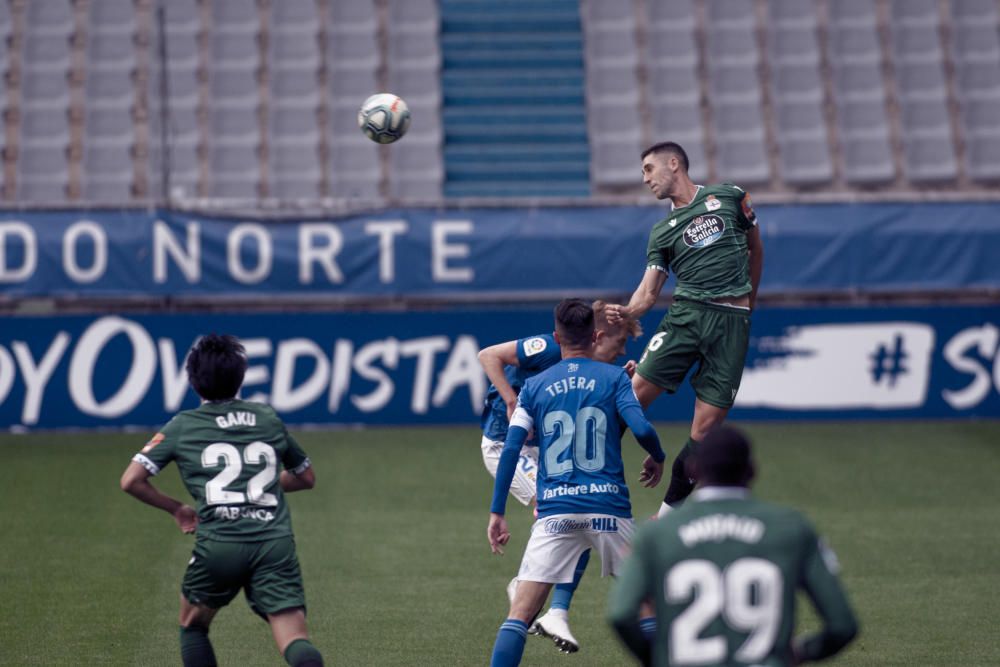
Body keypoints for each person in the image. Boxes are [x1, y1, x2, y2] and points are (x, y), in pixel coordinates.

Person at [120, 334, 324, 667]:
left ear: (192, 381)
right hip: (273, 543)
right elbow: (306, 477)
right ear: (240, 377)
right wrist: (261, 489)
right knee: (295, 639)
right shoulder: (268, 418)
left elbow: (131, 481)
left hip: (219, 545)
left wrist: (178, 509)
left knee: (193, 626)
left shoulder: (182, 426)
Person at [486, 299, 667, 667]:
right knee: (648, 607)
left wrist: (497, 511)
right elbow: (642, 428)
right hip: (609, 513)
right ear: (596, 335)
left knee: (519, 615)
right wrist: (658, 457)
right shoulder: (616, 378)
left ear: (556, 337)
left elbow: (511, 450)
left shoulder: (535, 385)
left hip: (555, 513)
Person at [608, 425, 859, 666]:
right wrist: (800, 652)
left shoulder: (655, 534)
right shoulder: (793, 528)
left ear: (693, 469)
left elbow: (621, 615)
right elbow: (842, 625)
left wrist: (657, 657)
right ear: (752, 470)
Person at [605, 141, 765, 517]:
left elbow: (755, 248)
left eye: (648, 169)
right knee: (628, 399)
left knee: (703, 435)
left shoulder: (730, 196)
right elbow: (648, 292)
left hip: (732, 324)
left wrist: (749, 302)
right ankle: (585, 486)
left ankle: (665, 525)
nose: (645, 179)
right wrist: (627, 311)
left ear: (673, 164)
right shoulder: (662, 232)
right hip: (686, 317)